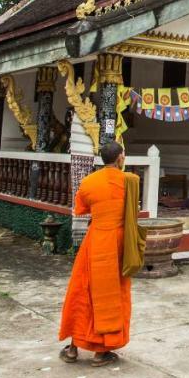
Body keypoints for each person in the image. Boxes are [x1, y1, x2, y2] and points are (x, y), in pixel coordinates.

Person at [58, 141, 141, 366]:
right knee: (113, 294)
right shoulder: (130, 182)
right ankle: (100, 352)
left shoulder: (88, 182)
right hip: (118, 243)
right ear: (120, 158)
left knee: (83, 291)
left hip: (94, 241)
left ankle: (74, 348)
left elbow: (81, 209)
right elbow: (133, 212)